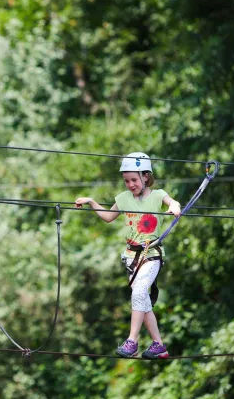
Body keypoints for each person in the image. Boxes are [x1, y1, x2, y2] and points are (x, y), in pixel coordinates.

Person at [75, 152, 181, 359]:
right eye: (126, 181)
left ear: (146, 177)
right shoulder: (123, 199)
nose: (130, 184)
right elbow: (107, 217)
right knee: (142, 298)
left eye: (134, 179)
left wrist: (174, 207)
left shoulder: (158, 195)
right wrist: (91, 202)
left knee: (139, 291)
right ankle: (159, 345)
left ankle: (132, 341)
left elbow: (172, 202)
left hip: (151, 253)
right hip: (132, 256)